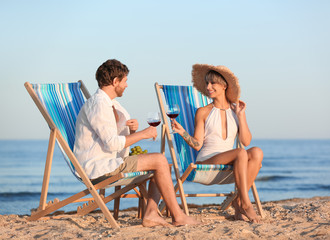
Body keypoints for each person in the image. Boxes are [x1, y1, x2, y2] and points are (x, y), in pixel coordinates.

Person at [73, 59, 198, 227]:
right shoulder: (98, 105)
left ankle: (152, 214)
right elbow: (111, 144)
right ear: (115, 81)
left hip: (110, 162)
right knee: (159, 160)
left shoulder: (110, 103)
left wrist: (132, 130)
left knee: (162, 165)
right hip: (97, 167)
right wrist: (142, 134)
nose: (126, 85)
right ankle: (178, 216)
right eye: (124, 81)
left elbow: (111, 136)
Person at [171, 64, 263, 223]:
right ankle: (245, 204)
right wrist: (183, 132)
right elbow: (198, 145)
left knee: (257, 152)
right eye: (207, 83)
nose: (208, 87)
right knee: (240, 152)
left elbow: (246, 141)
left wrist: (241, 115)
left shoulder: (236, 111)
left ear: (224, 86)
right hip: (207, 161)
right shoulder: (203, 111)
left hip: (231, 163)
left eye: (212, 83)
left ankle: (239, 202)